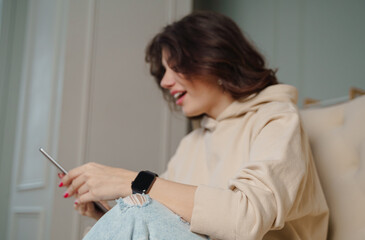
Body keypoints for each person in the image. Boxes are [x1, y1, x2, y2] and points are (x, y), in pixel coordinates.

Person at [59, 11, 329, 240]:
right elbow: (166, 217)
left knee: (137, 206)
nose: (164, 82)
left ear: (213, 57)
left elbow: (247, 218)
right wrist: (107, 213)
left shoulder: (276, 119)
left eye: (173, 66)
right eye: (162, 71)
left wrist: (132, 182)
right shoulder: (192, 143)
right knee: (135, 207)